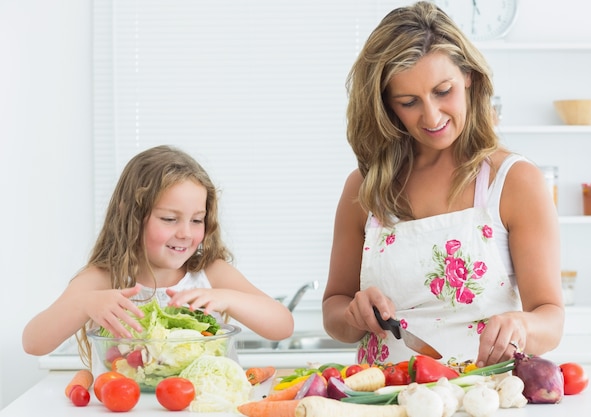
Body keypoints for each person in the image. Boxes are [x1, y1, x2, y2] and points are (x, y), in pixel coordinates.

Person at [322, 1, 563, 369]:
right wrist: (353, 314)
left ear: (468, 76)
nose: (432, 116)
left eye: (442, 91)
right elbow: (334, 310)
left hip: (483, 396)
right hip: (384, 398)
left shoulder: (513, 181)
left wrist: (522, 325)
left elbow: (551, 317)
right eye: (408, 102)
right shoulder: (365, 188)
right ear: (386, 105)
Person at [23, 145, 294, 364]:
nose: (186, 233)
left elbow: (282, 326)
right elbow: (34, 342)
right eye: (169, 219)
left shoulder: (210, 273)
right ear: (130, 215)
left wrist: (226, 297)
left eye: (197, 220)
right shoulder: (106, 278)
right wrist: (84, 304)